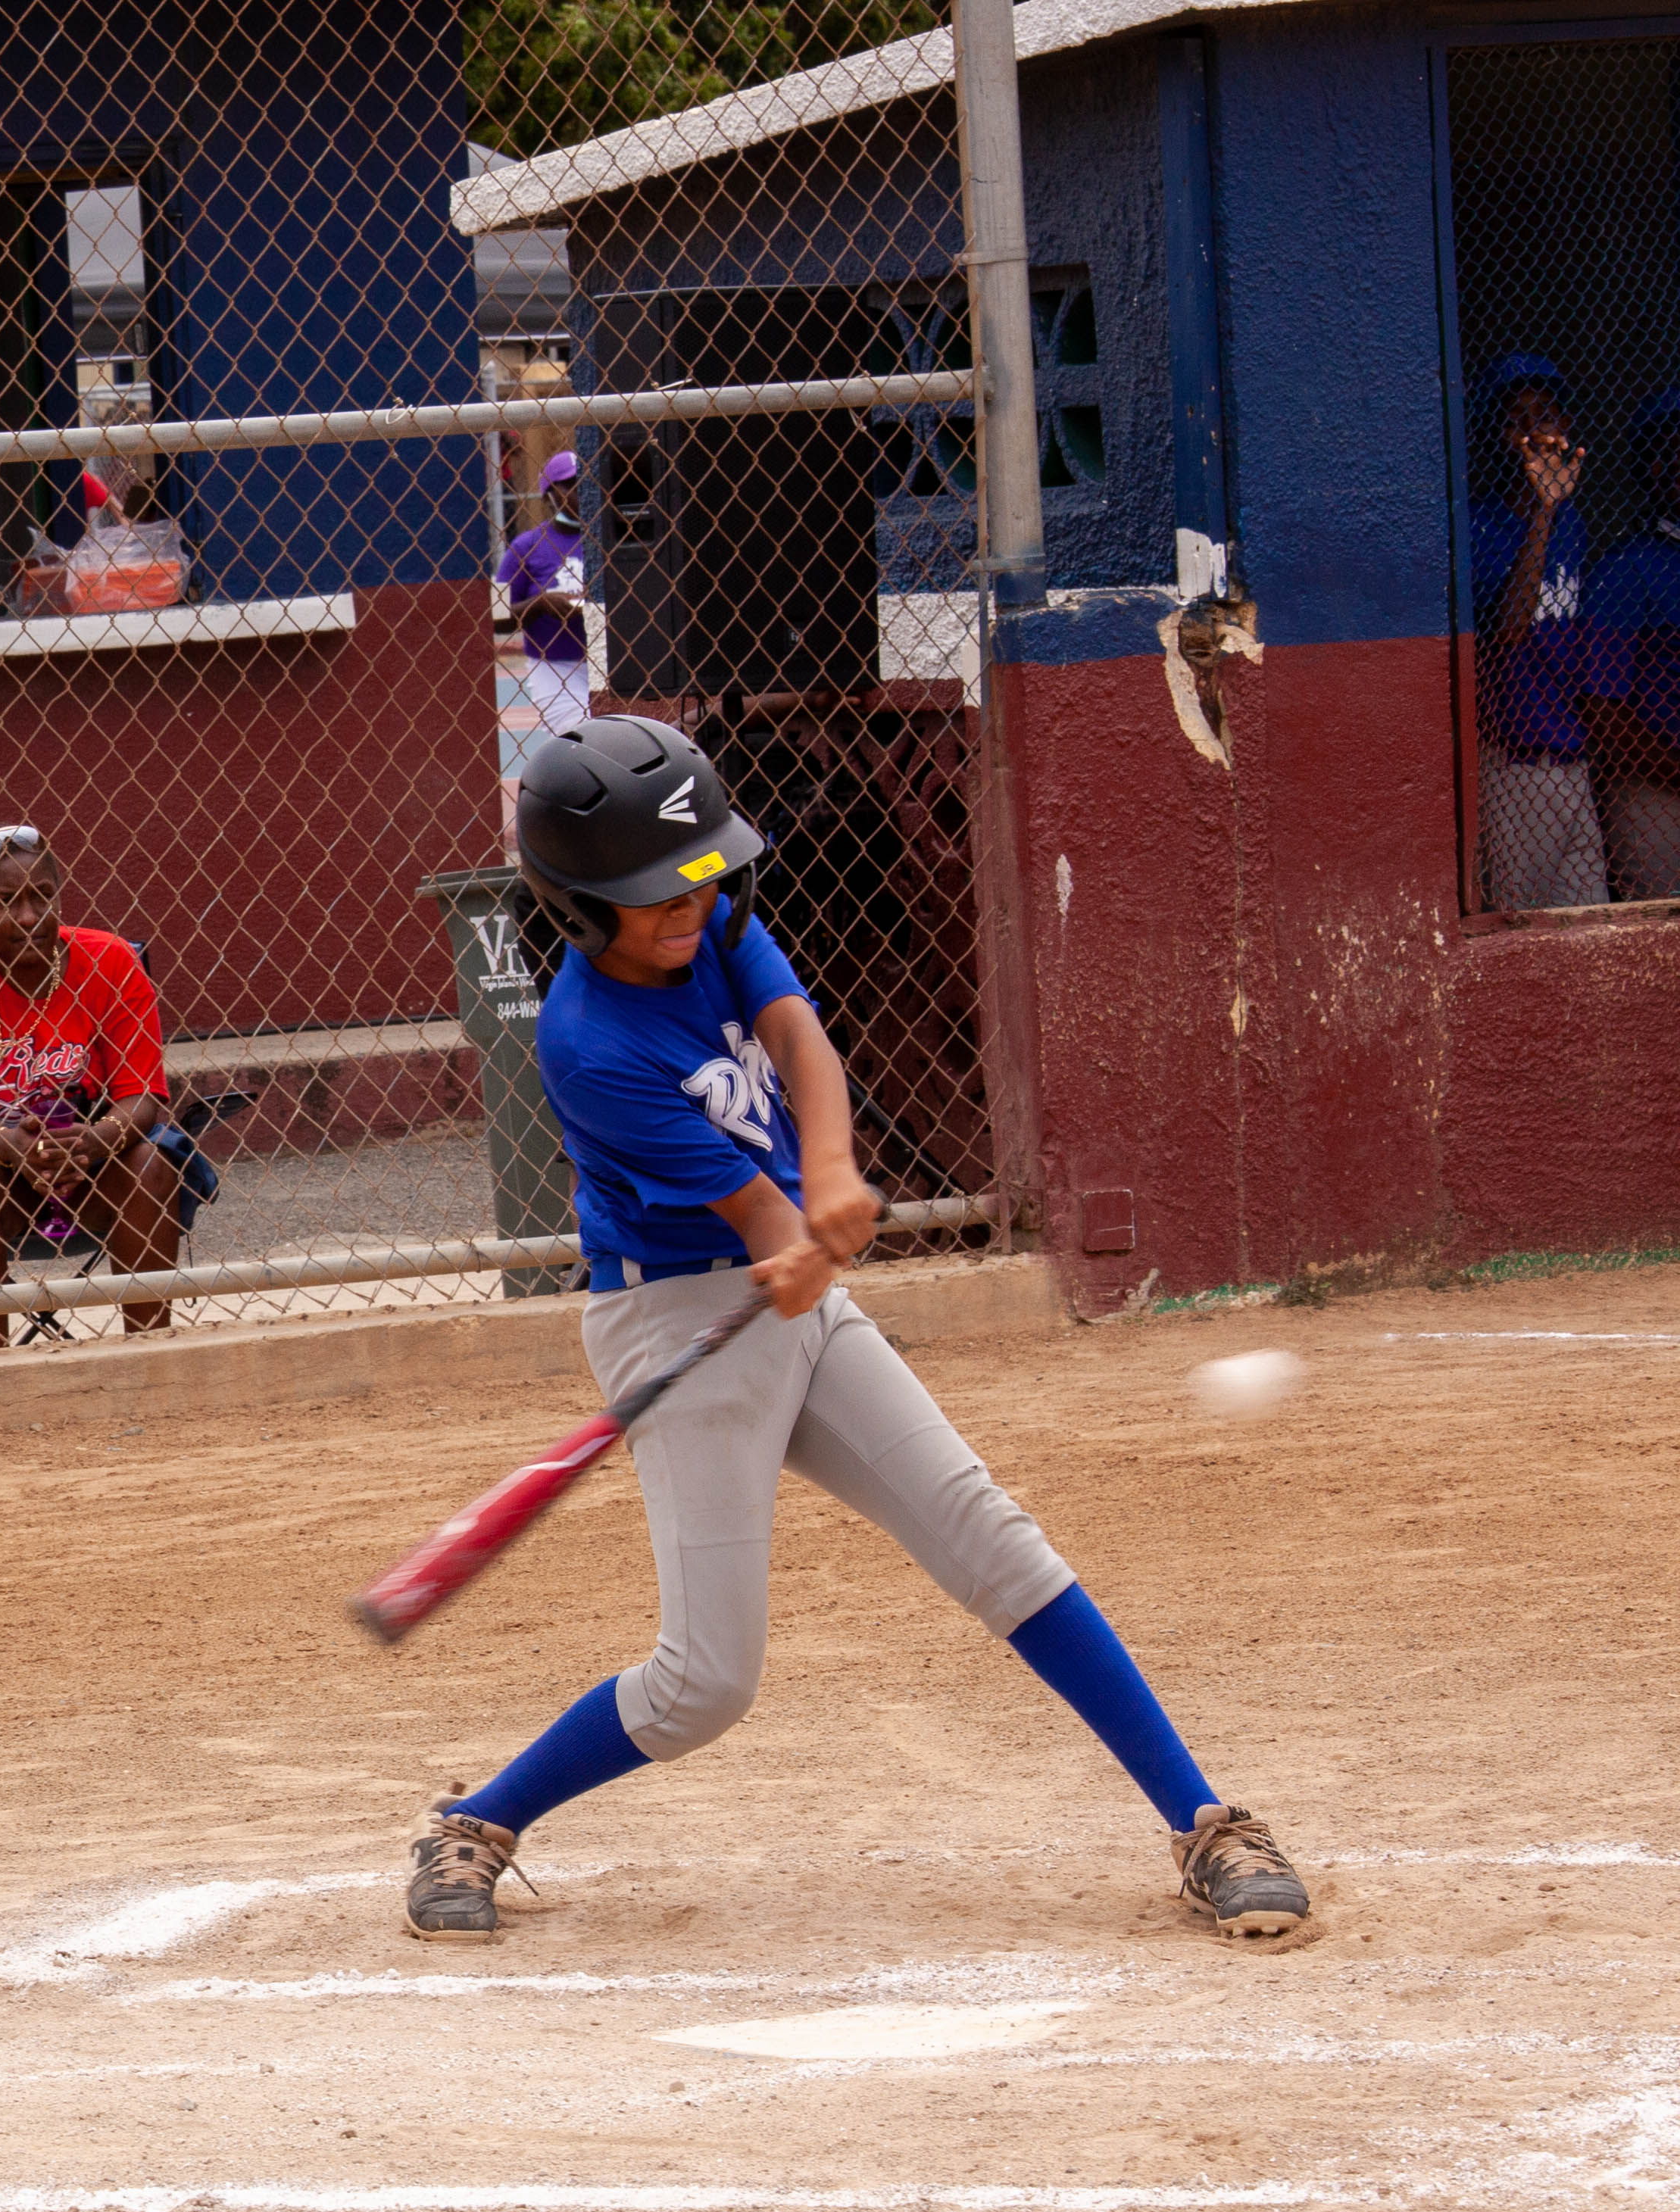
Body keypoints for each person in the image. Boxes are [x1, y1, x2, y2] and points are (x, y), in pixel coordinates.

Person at [402, 715, 1313, 1947]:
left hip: (795, 1298)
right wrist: (796, 1222)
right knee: (704, 1683)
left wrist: (827, 1171)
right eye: (654, 894)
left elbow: (797, 1038)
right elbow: (757, 1218)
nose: (691, 905)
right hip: (681, 1317)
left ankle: (1207, 1820)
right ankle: (477, 1819)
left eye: (702, 875)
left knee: (991, 1536)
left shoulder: (711, 918)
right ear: (578, 903)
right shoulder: (584, 1043)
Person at [0, 824, 195, 1349]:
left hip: (94, 1166)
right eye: (5, 902)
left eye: (42, 897)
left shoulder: (111, 961)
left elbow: (141, 1095)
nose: (29, 917)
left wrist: (94, 1140)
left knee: (150, 1162)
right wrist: (15, 1148)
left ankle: (151, 1353)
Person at [1470, 354, 1607, 913]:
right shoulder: (1481, 524)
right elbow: (1507, 630)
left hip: (1572, 758)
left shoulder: (1575, 524)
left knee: (1593, 919)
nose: (1535, 431)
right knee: (1523, 920)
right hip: (1515, 763)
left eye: (1546, 415)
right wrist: (1543, 514)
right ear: (1500, 437)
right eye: (1518, 419)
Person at [1581, 388, 1680, 903]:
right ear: (1652, 470)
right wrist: (1674, 769)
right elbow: (1602, 708)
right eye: (1670, 450)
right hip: (1652, 790)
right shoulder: (1627, 569)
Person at [501, 448, 592, 736]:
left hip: (610, 662)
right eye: (569, 484)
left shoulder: (610, 539)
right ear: (548, 494)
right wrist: (540, 604)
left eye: (585, 482)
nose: (579, 490)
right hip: (555, 668)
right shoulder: (526, 546)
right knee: (583, 738)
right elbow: (496, 616)